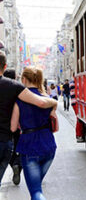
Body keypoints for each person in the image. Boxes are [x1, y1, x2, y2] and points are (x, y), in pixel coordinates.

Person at [0, 51, 57, 188]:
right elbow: (41, 103)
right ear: (5, 66)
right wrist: (54, 103)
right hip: (3, 140)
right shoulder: (13, 86)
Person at [10, 66, 57, 200]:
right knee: (36, 187)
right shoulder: (47, 98)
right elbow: (55, 125)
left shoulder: (19, 101)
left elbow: (13, 128)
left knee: (36, 191)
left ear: (24, 79)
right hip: (49, 147)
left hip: (29, 147)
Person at [3, 69, 22, 185]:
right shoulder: (17, 89)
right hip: (18, 125)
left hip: (4, 126)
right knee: (20, 148)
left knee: (8, 150)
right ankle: (18, 165)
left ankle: (14, 164)